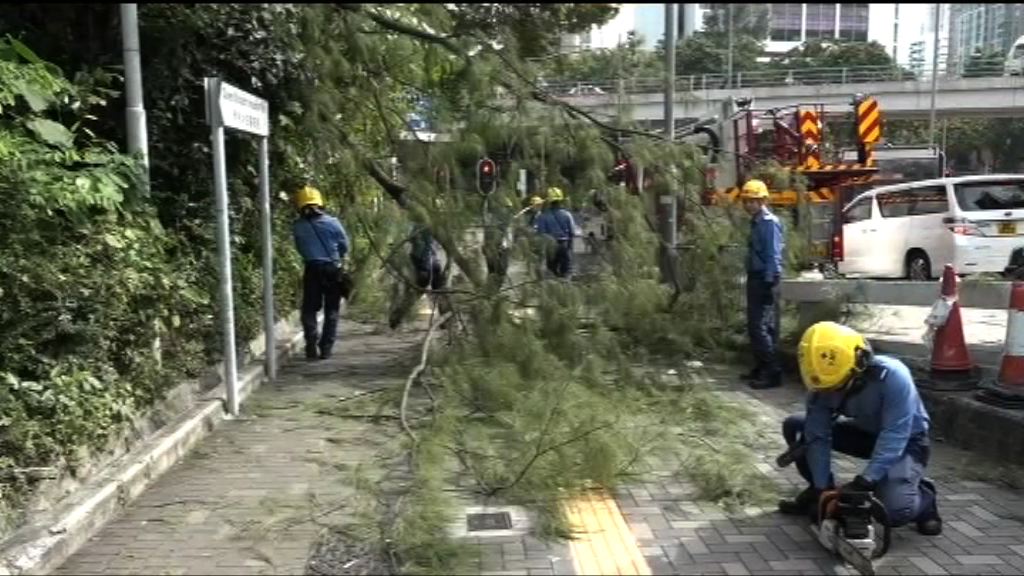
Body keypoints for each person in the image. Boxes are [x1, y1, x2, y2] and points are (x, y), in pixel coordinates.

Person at [778, 321, 943, 537]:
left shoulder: (893, 376)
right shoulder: (821, 385)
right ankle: (815, 491)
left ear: (859, 365)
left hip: (907, 442)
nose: (831, 393)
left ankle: (924, 498)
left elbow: (895, 434)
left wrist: (866, 481)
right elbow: (817, 436)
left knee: (894, 511)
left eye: (839, 386)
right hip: (864, 434)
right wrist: (823, 489)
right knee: (797, 426)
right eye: (828, 388)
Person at [292, 185, 349, 360]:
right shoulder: (333, 223)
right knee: (332, 309)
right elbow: (344, 247)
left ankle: (310, 342)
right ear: (320, 204)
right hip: (332, 269)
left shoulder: (298, 226)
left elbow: (300, 248)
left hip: (312, 268)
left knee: (309, 309)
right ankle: (326, 348)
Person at [740, 179, 785, 389]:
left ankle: (772, 371)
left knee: (760, 326)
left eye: (753, 201)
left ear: (763, 200)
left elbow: (773, 253)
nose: (749, 205)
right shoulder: (756, 221)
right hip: (755, 276)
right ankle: (761, 366)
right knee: (757, 325)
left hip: (764, 278)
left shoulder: (769, 223)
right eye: (746, 201)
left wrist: (769, 280)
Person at [534, 187, 577, 279]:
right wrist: (570, 248)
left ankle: (555, 288)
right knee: (566, 272)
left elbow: (541, 234)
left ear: (549, 202)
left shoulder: (543, 216)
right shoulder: (567, 215)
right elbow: (572, 233)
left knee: (552, 271)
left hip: (550, 248)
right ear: (560, 201)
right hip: (564, 245)